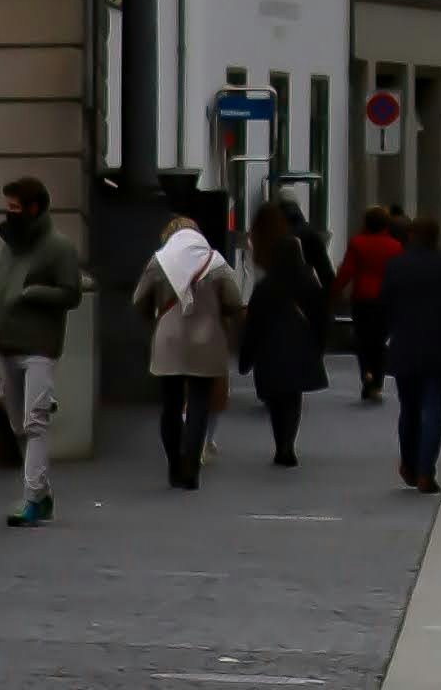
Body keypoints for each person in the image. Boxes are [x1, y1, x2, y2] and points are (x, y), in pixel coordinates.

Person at [0, 173, 83, 526]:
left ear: (33, 208)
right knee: (18, 424)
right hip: (7, 344)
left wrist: (32, 294)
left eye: (14, 207)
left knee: (35, 421)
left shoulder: (59, 248)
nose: (8, 213)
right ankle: (40, 494)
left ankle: (30, 498)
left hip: (39, 346)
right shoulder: (10, 246)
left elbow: (72, 293)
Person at [133, 200, 245, 488]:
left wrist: (154, 320)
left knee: (170, 406)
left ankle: (174, 465)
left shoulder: (159, 262)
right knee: (198, 404)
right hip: (207, 342)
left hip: (168, 341)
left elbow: (139, 300)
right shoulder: (216, 262)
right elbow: (234, 301)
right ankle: (191, 469)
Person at [376, 213, 441, 493]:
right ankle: (426, 471)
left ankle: (409, 463)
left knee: (409, 409)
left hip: (406, 345)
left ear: (411, 237)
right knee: (434, 410)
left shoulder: (396, 267)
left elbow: (384, 304)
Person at [237, 199, 331, 467]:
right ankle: (288, 442)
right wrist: (319, 345)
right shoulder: (307, 282)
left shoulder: (266, 286)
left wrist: (246, 357)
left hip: (270, 349)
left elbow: (253, 323)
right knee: (293, 400)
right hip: (300, 346)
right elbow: (320, 317)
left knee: (276, 399)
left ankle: (280, 442)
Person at [335, 203, 402, 400]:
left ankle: (367, 375)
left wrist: (334, 291)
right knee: (380, 342)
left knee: (363, 340)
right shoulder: (395, 246)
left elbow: (347, 270)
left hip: (362, 298)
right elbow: (398, 274)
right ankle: (378, 383)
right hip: (385, 300)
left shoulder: (357, 242)